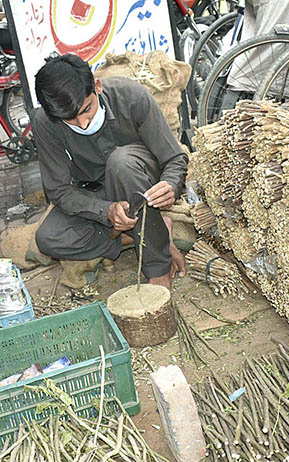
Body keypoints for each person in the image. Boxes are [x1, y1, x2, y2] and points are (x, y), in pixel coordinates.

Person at [33, 53, 187, 290]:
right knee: (49, 238)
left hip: (139, 179)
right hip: (97, 192)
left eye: (87, 109)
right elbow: (58, 190)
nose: (83, 123)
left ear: (97, 86)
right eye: (70, 120)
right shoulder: (46, 122)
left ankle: (158, 264)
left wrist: (170, 184)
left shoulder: (132, 97)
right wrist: (105, 211)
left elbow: (175, 158)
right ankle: (143, 232)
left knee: (120, 162)